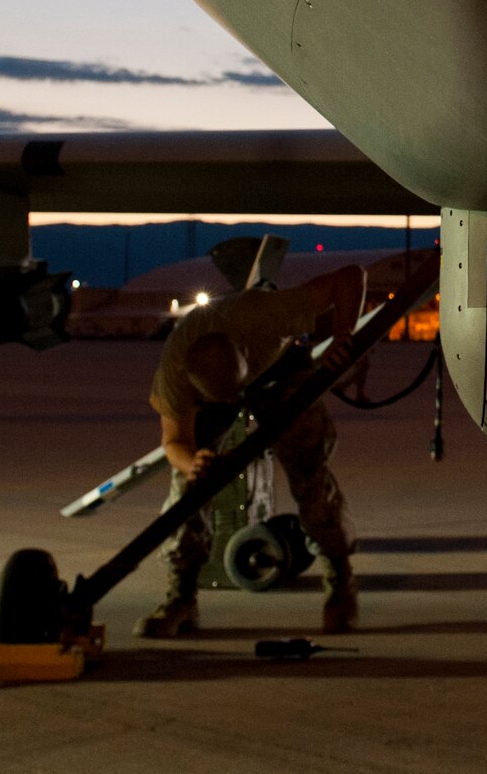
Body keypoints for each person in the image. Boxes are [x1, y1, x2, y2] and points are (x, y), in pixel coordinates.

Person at [136, 264, 367, 639]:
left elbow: (350, 277)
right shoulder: (175, 374)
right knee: (188, 487)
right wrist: (194, 462)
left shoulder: (264, 315)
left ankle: (339, 581)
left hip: (279, 370)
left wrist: (344, 335)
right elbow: (172, 442)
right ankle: (181, 596)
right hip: (213, 390)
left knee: (310, 472)